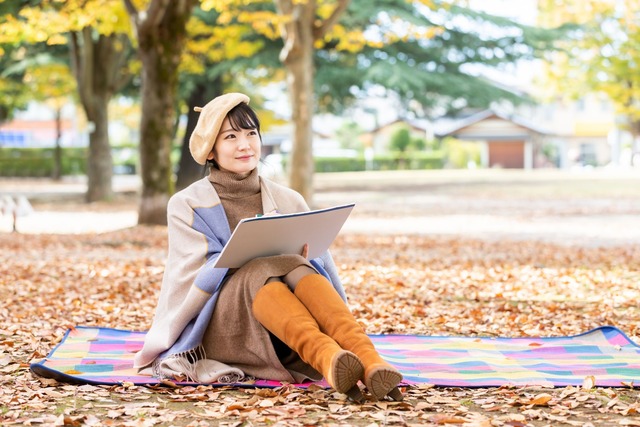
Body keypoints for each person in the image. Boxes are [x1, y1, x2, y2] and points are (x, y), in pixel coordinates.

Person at [133, 93, 402, 402]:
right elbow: (191, 275)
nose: (245, 144)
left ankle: (369, 361)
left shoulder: (289, 199)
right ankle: (328, 357)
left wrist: (301, 257)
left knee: (297, 264)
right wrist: (241, 257)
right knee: (261, 268)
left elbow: (320, 262)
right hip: (225, 325)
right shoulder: (186, 204)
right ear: (210, 149)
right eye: (231, 136)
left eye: (251, 134)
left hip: (282, 325)